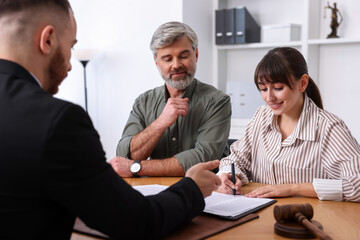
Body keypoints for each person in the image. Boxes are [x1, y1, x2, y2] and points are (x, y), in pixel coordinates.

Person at [0, 1, 222, 239]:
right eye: (71, 46)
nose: (69, 65)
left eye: (183, 55)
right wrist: (192, 188)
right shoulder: (59, 121)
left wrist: (134, 167)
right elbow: (138, 220)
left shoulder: (216, 100)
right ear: (48, 40)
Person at [218, 47, 360, 202]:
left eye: (278, 88)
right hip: (259, 214)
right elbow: (236, 158)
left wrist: (293, 188)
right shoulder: (261, 116)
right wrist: (229, 174)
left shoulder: (329, 128)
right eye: (263, 89)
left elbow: (356, 185)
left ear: (303, 83)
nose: (269, 97)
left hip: (308, 218)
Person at [111, 22, 231, 177]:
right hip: (153, 193)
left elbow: (203, 159)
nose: (176, 65)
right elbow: (125, 155)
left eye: (183, 56)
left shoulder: (217, 101)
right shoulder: (143, 102)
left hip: (205, 193)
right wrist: (160, 123)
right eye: (167, 59)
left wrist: (137, 168)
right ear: (156, 62)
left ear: (196, 55)